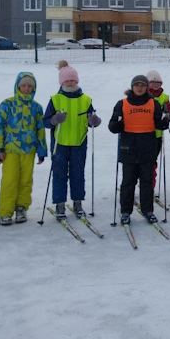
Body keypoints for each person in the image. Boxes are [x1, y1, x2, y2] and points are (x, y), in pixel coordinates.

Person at [43, 61, 100, 221]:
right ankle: (60, 204)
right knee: (59, 175)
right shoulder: (55, 99)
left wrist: (94, 121)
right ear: (62, 82)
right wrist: (54, 119)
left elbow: (91, 120)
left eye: (72, 80)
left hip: (79, 143)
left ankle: (77, 202)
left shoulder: (86, 100)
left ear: (77, 81)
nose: (70, 82)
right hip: (59, 144)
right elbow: (45, 121)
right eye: (67, 80)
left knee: (78, 174)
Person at [109, 75, 169, 224]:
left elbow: (157, 122)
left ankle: (148, 210)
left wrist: (164, 123)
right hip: (128, 147)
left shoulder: (153, 103)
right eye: (137, 85)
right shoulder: (122, 104)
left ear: (146, 87)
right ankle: (125, 212)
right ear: (132, 87)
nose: (140, 88)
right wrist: (116, 126)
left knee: (147, 182)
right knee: (128, 182)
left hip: (147, 147)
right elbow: (112, 125)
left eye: (142, 85)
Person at [0, 72, 47, 226]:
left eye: (30, 86)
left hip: (28, 151)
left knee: (25, 181)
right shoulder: (7, 104)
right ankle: (5, 212)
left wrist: (41, 150)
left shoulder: (36, 107)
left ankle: (21, 207)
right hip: (10, 151)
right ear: (18, 86)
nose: (26, 88)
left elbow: (40, 129)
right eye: (23, 85)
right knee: (9, 181)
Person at [146, 70, 170, 190]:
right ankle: (141, 183)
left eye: (158, 82)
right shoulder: (143, 95)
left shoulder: (164, 97)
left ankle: (150, 186)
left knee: (152, 161)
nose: (156, 85)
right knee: (141, 162)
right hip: (144, 133)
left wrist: (168, 116)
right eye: (153, 82)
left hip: (157, 135)